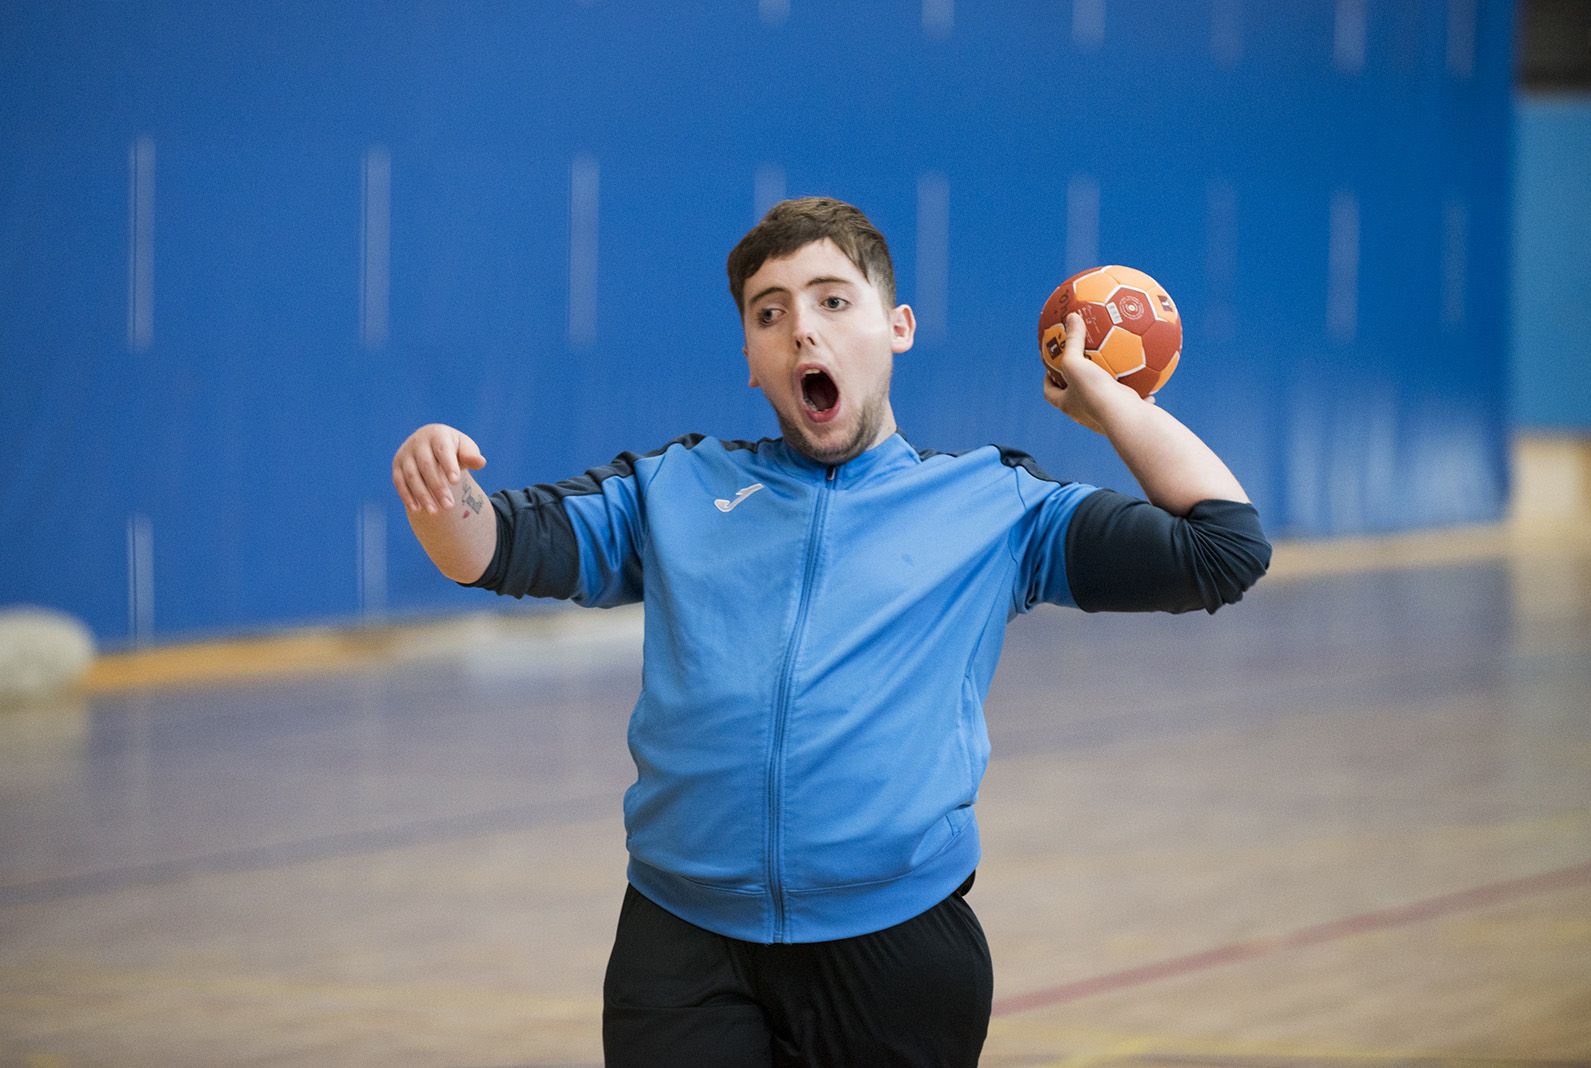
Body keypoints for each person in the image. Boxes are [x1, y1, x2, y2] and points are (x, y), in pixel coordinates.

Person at [391, 197, 1271, 1066]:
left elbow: (1224, 548)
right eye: (770, 314)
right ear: (750, 358)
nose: (802, 331)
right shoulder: (673, 489)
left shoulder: (993, 505)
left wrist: (1109, 406)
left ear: (899, 327)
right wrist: (440, 489)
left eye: (833, 300)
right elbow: (491, 547)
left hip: (896, 950)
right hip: (683, 946)